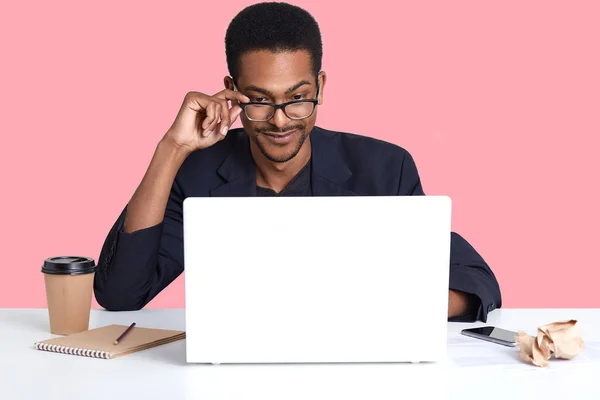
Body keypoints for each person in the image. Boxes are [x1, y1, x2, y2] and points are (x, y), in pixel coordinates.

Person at [93, 1, 501, 322]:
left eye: (297, 98)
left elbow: (475, 282)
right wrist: (171, 148)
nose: (280, 119)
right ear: (231, 92)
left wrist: (374, 313)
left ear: (320, 86)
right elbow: (120, 295)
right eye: (260, 100)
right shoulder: (196, 172)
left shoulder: (383, 167)